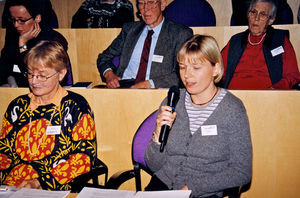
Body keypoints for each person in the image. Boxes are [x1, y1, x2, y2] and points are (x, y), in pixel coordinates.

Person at [145, 35, 252, 198]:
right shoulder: (173, 101)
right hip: (162, 186)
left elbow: (242, 172)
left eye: (195, 68)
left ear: (215, 69)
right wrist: (158, 136)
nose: (187, 75)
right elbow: (153, 165)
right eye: (182, 67)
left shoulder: (232, 109)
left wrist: (193, 187)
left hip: (204, 193)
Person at [0, 40, 95, 190]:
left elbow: (83, 159)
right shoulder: (17, 106)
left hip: (53, 188)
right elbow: (4, 153)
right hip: (12, 188)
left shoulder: (75, 106)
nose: (34, 81)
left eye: (42, 75)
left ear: (61, 74)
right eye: (30, 74)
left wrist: (39, 183)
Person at [97, 0, 193, 89]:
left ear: (162, 5)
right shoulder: (130, 30)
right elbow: (104, 57)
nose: (146, 9)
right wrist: (109, 74)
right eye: (141, 3)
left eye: (151, 2)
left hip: (156, 90)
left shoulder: (180, 33)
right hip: (123, 88)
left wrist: (149, 84)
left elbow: (183, 73)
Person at [222, 0, 300, 89]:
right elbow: (218, 71)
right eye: (253, 12)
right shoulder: (235, 40)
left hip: (268, 98)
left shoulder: (280, 40)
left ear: (271, 20)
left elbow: (293, 75)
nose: (256, 18)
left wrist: (276, 89)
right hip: (233, 97)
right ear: (248, 15)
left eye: (263, 14)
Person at [0, 0, 73, 87]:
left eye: (21, 20)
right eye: (13, 20)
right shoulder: (13, 35)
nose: (16, 25)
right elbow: (4, 67)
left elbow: (34, 73)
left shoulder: (54, 39)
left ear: (37, 18)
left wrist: (23, 45)